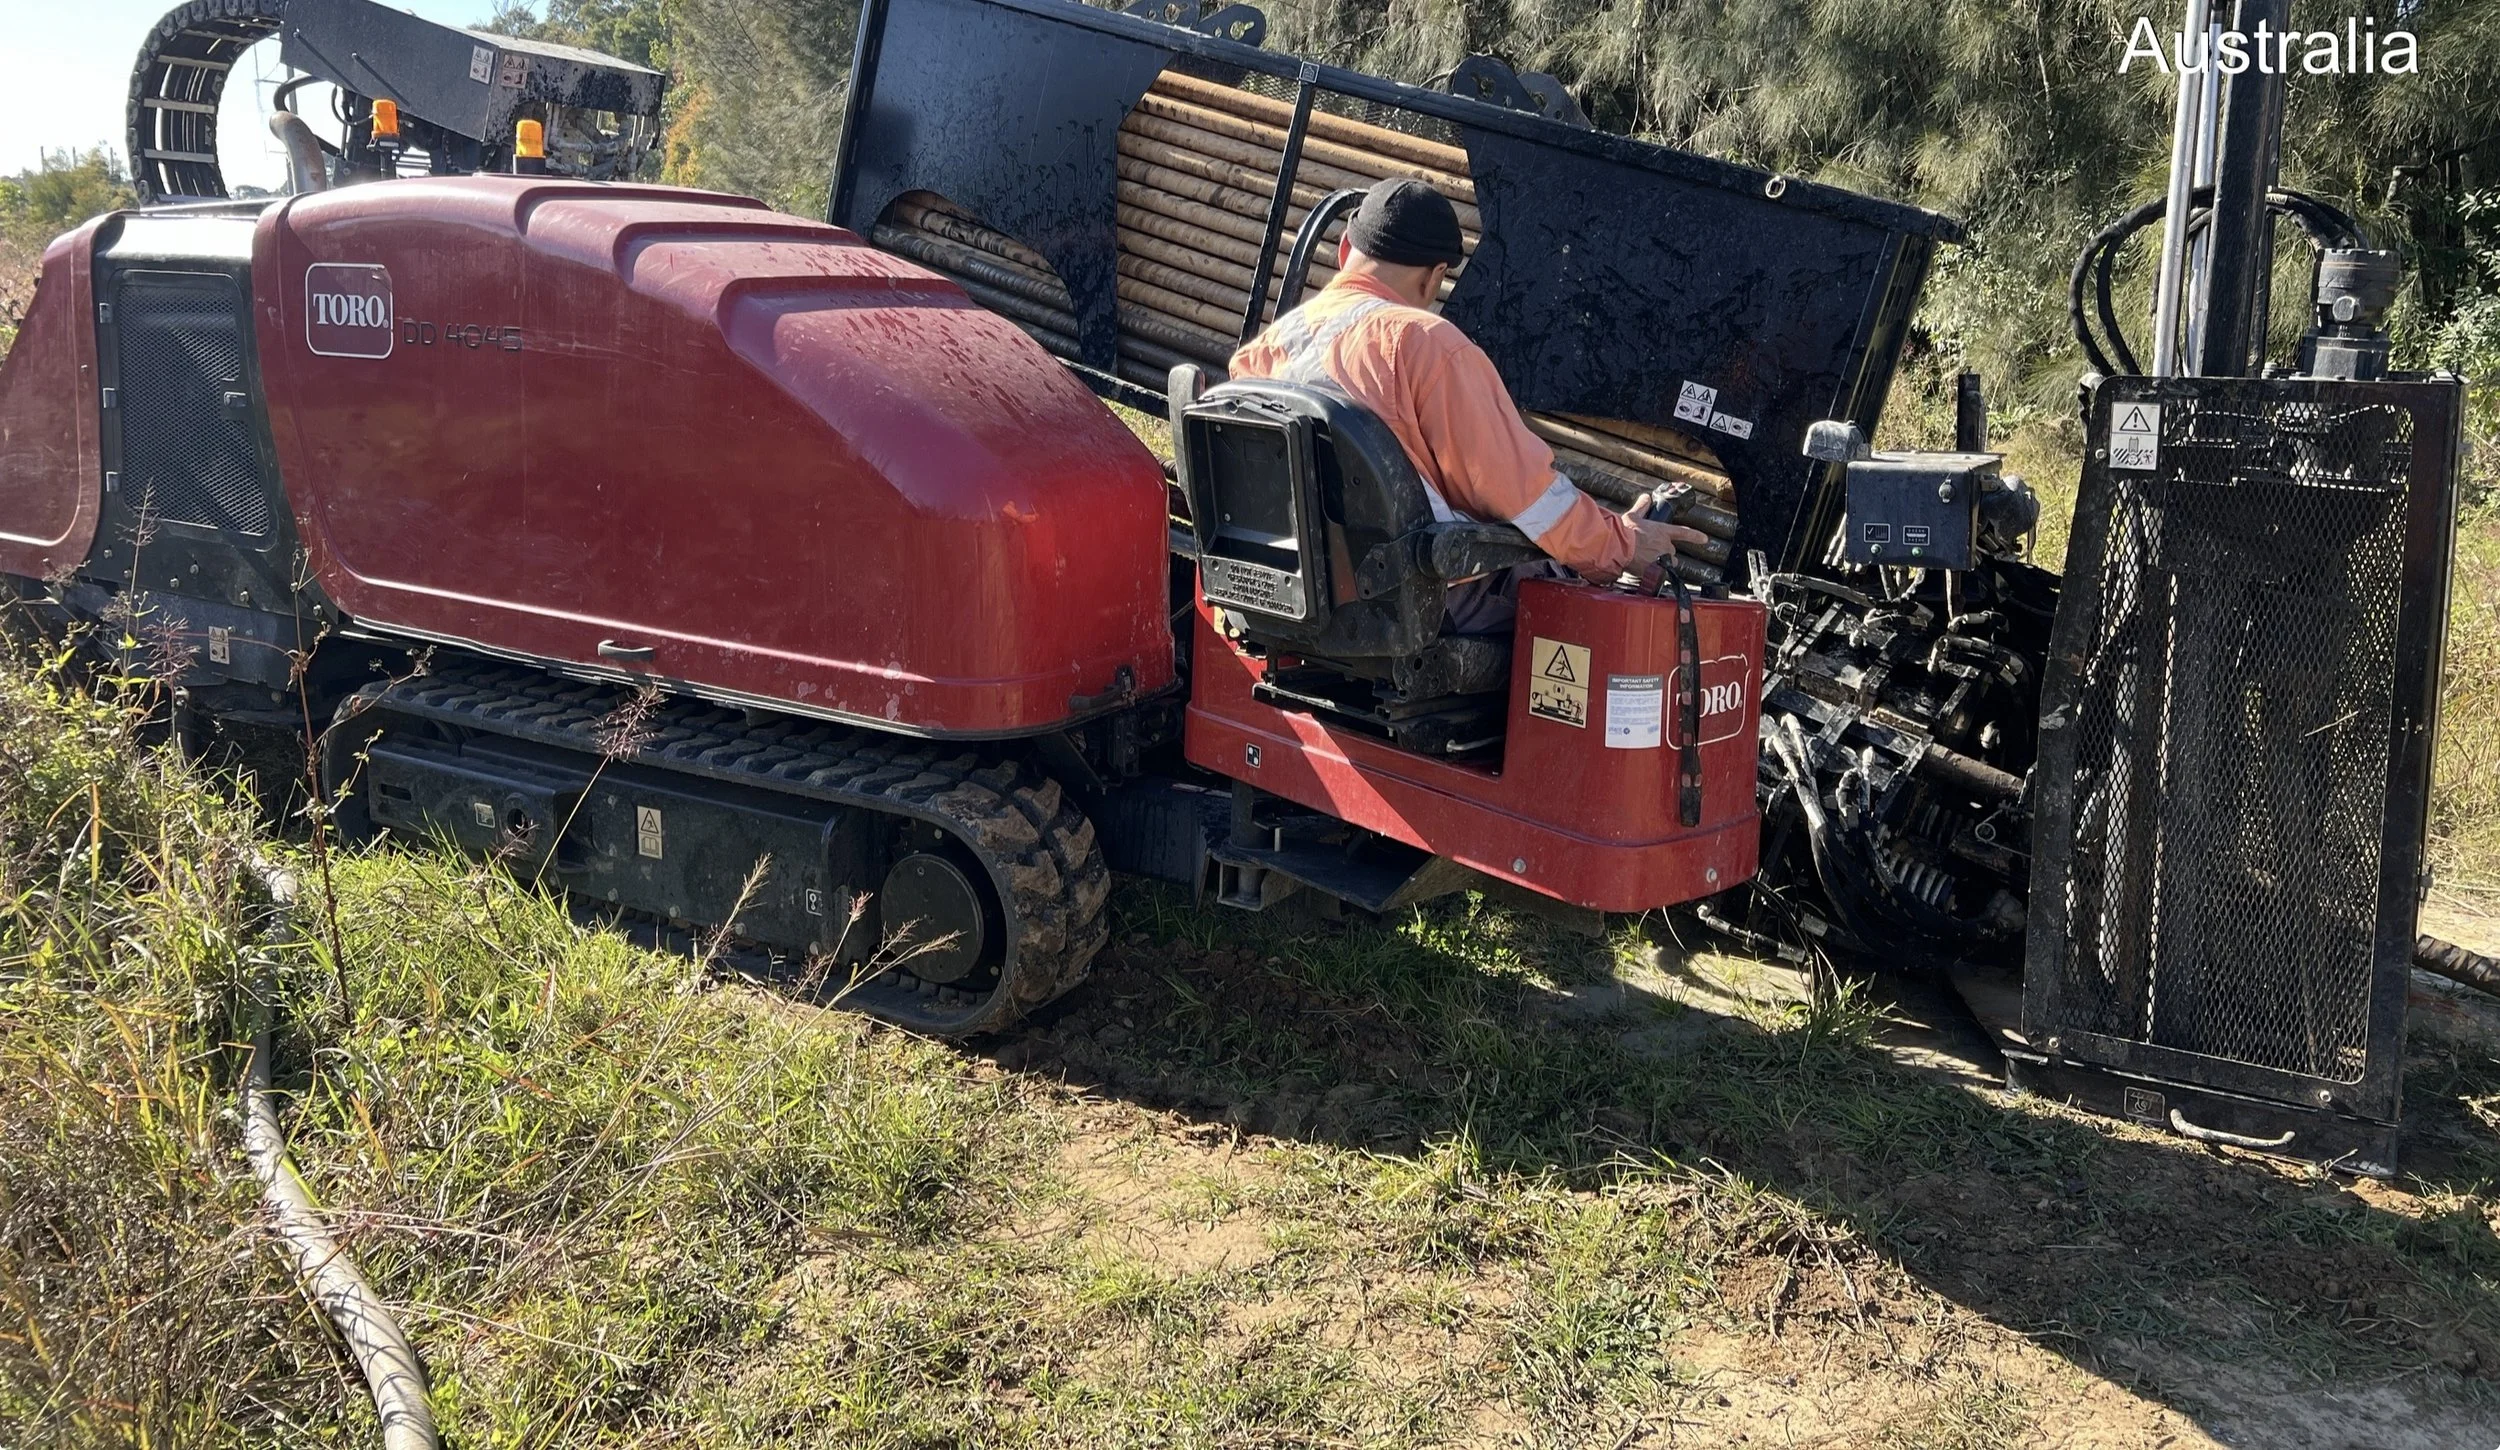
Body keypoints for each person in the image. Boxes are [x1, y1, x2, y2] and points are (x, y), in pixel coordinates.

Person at [1230, 177, 1706, 633]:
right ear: (1434, 277)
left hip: (1291, 597)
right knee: (1584, 609)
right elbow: (1527, 499)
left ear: (1346, 251)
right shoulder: (1426, 346)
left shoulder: (1264, 353)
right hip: (1413, 607)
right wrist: (1622, 544)